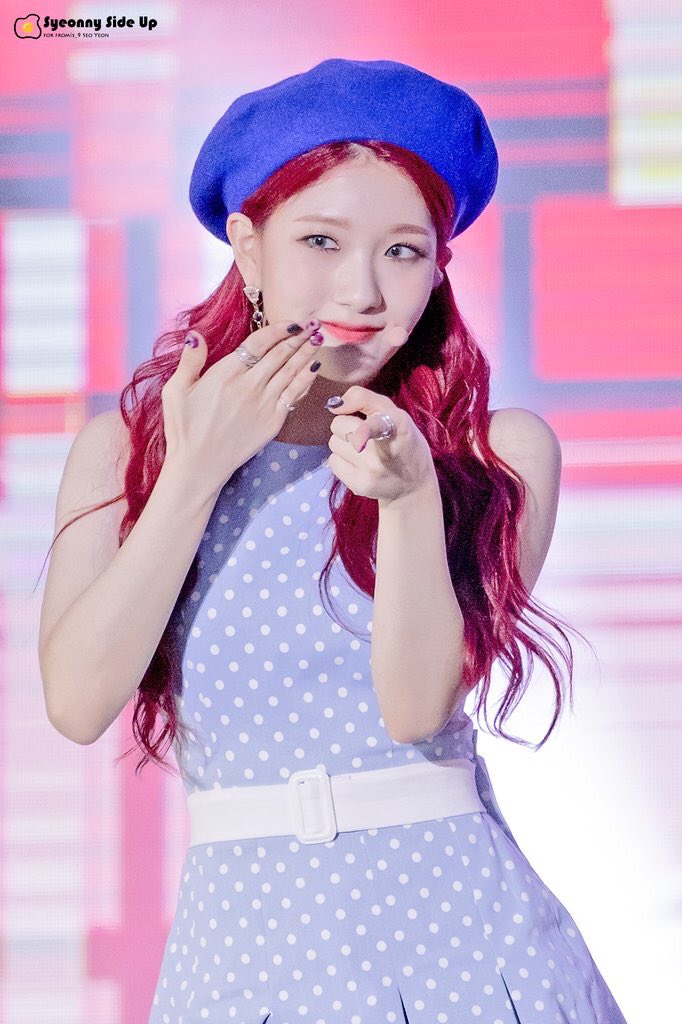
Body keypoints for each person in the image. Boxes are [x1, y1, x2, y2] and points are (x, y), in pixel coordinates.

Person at [37, 59, 628, 1023]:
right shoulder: (128, 454)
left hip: (465, 947)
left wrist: (408, 497)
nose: (362, 288)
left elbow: (415, 707)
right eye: (320, 240)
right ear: (248, 246)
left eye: (403, 251)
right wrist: (194, 472)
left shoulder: (494, 454)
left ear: (439, 264)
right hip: (245, 950)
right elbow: (77, 700)